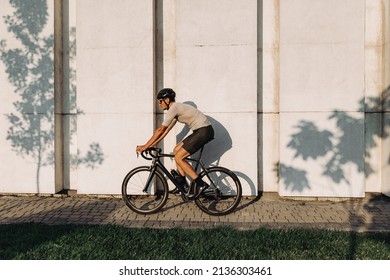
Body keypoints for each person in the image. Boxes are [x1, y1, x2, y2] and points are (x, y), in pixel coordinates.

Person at [136, 88, 214, 198]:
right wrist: (151, 145)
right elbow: (165, 132)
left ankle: (201, 184)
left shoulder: (174, 108)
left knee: (179, 158)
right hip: (201, 131)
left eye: (160, 101)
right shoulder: (175, 111)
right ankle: (182, 184)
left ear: (167, 100)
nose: (159, 104)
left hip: (203, 131)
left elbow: (160, 130)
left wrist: (145, 146)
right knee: (176, 150)